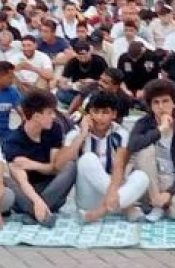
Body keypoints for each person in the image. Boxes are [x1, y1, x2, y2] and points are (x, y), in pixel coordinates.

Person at [56, 91, 148, 223]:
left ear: (114, 114)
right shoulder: (76, 133)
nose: (99, 117)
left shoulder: (120, 134)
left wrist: (112, 193)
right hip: (89, 198)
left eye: (105, 112)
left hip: (113, 195)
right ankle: (126, 206)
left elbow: (119, 167)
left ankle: (99, 213)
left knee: (141, 176)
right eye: (96, 112)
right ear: (89, 114)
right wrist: (82, 135)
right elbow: (59, 165)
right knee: (88, 159)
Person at [3, 90, 75, 227]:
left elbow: (54, 168)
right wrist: (37, 201)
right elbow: (22, 181)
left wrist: (32, 164)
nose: (53, 116)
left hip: (50, 188)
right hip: (26, 194)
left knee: (71, 166)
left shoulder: (54, 129)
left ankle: (34, 213)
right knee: (5, 175)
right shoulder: (13, 141)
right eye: (49, 113)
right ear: (36, 116)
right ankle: (40, 211)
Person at [129, 79, 175, 223]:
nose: (161, 107)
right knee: (146, 149)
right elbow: (133, 145)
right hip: (148, 178)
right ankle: (155, 202)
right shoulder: (143, 124)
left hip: (171, 180)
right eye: (156, 103)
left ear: (174, 103)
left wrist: (170, 192)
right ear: (150, 106)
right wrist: (160, 130)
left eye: (165, 101)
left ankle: (155, 204)